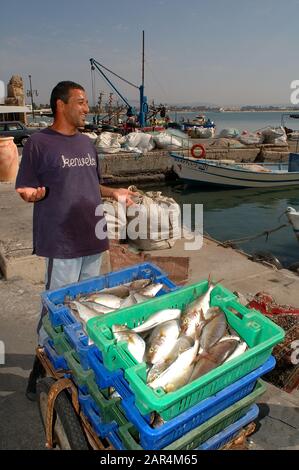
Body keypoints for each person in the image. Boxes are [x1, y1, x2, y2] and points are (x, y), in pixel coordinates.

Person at [15, 81, 135, 400]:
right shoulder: (39, 143)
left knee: (86, 308)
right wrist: (31, 195)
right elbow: (25, 186)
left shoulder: (85, 143)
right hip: (62, 241)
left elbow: (92, 185)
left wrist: (116, 193)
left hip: (93, 238)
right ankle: (41, 368)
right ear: (61, 105)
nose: (86, 108)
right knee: (56, 308)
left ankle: (73, 364)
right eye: (80, 102)